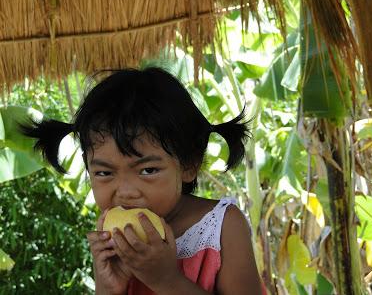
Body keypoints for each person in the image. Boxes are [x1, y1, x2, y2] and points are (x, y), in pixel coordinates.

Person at [22, 67, 265, 294]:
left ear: (189, 164)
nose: (126, 192)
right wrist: (107, 288)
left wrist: (167, 281)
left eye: (148, 170)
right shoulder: (111, 239)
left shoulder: (222, 227)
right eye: (105, 173)